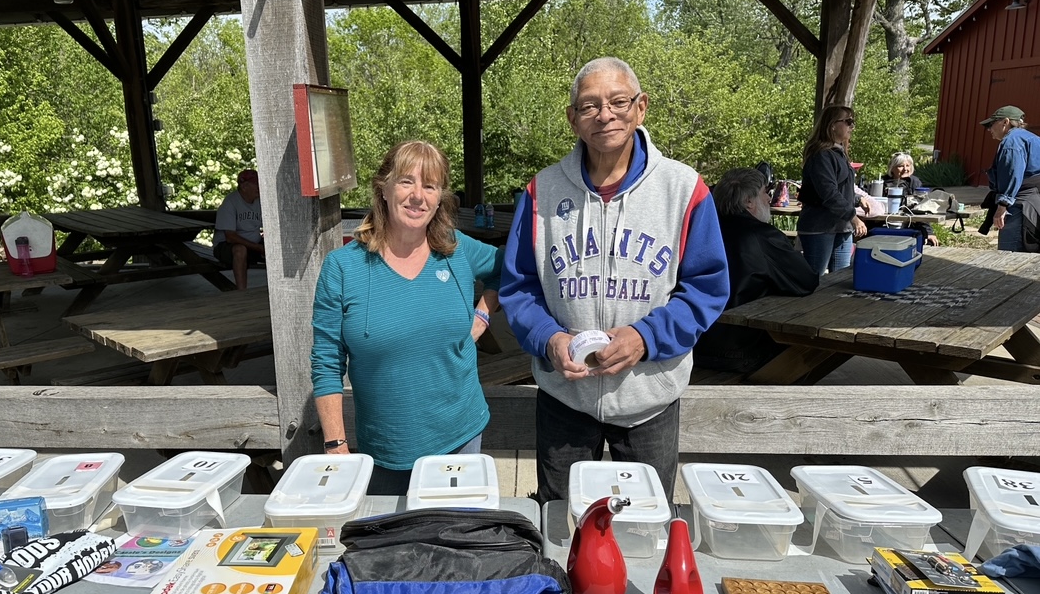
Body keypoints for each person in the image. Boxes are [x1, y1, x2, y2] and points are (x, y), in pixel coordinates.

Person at [499, 56, 730, 505]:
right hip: (566, 397)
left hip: (649, 400)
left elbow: (706, 288)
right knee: (562, 522)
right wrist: (548, 339)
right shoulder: (540, 191)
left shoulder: (684, 189)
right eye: (589, 106)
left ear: (641, 108)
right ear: (573, 119)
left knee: (644, 525)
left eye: (618, 102)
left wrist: (645, 337)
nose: (604, 115)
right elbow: (519, 287)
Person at [310, 140, 503, 495]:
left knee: (454, 540)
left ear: (439, 197)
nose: (418, 196)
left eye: (429, 186)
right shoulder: (343, 267)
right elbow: (326, 362)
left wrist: (484, 313)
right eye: (406, 182)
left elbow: (509, 269)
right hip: (384, 450)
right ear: (383, 188)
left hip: (461, 436)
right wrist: (335, 444)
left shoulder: (455, 247)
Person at [694, 167, 819, 374]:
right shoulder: (762, 236)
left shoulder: (701, 231)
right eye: (764, 192)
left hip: (696, 345)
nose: (769, 199)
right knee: (811, 349)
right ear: (748, 202)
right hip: (741, 350)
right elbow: (806, 281)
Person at [797, 105, 867, 273]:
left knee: (839, 282)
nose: (852, 126)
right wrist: (854, 218)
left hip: (841, 227)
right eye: (848, 121)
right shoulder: (821, 155)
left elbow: (840, 188)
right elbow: (828, 193)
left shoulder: (838, 153)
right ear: (832, 125)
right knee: (816, 281)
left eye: (853, 122)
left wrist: (857, 199)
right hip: (820, 227)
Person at [981, 105, 1040, 252]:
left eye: (991, 124)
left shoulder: (1011, 142)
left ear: (1005, 122)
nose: (989, 129)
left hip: (1020, 205)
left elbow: (1012, 173)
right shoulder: (1033, 138)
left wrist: (1002, 206)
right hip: (1035, 202)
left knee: (1009, 255)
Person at [213, 168, 265, 290]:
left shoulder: (260, 202)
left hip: (254, 245)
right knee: (240, 250)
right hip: (226, 247)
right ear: (244, 187)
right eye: (256, 184)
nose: (259, 187)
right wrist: (258, 247)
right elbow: (230, 237)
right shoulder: (230, 202)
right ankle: (242, 292)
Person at [883, 152, 939, 246]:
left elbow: (922, 208)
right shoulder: (882, 183)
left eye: (908, 165)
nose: (905, 169)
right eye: (900, 166)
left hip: (912, 223)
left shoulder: (915, 182)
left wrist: (929, 232)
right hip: (885, 223)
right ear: (892, 168)